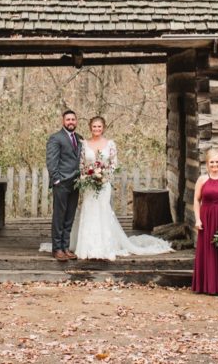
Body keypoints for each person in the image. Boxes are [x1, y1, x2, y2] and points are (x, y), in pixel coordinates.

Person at [71, 117, 172, 260]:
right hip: (89, 184)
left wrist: (103, 176)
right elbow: (81, 164)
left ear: (103, 127)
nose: (97, 129)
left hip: (104, 183)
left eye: (99, 126)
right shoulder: (84, 144)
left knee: (103, 210)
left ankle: (105, 247)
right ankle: (87, 247)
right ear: (90, 127)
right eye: (94, 126)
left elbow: (113, 164)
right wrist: (87, 176)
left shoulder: (110, 144)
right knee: (89, 210)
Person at [191, 148, 218, 295]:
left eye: (217, 162)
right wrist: (198, 219)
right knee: (208, 250)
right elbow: (196, 200)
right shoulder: (202, 180)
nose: (214, 165)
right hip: (207, 218)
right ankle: (208, 285)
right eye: (212, 162)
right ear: (207, 163)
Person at [46, 109, 82, 262]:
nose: (71, 122)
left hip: (76, 183)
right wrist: (57, 180)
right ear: (63, 121)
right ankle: (57, 249)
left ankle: (66, 247)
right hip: (61, 183)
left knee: (69, 216)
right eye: (68, 119)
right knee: (59, 217)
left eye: (73, 119)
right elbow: (51, 161)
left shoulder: (79, 138)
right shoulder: (55, 138)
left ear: (76, 121)